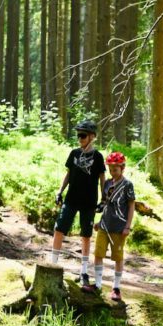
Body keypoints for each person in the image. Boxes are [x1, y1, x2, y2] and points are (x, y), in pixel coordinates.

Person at [50, 120, 106, 285]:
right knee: (59, 228)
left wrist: (104, 200)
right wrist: (60, 191)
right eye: (78, 135)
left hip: (89, 202)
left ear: (92, 137)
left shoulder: (98, 157)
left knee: (86, 235)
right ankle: (53, 265)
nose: (80, 138)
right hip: (71, 199)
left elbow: (102, 179)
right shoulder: (74, 153)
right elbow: (68, 174)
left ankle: (84, 271)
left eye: (83, 135)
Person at [84, 150, 136, 302]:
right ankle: (98, 284)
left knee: (118, 257)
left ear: (122, 168)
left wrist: (127, 226)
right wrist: (99, 221)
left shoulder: (127, 185)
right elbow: (105, 204)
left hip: (119, 228)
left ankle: (116, 288)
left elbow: (131, 205)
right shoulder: (107, 183)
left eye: (115, 169)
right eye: (110, 169)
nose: (113, 172)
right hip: (104, 226)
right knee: (98, 254)